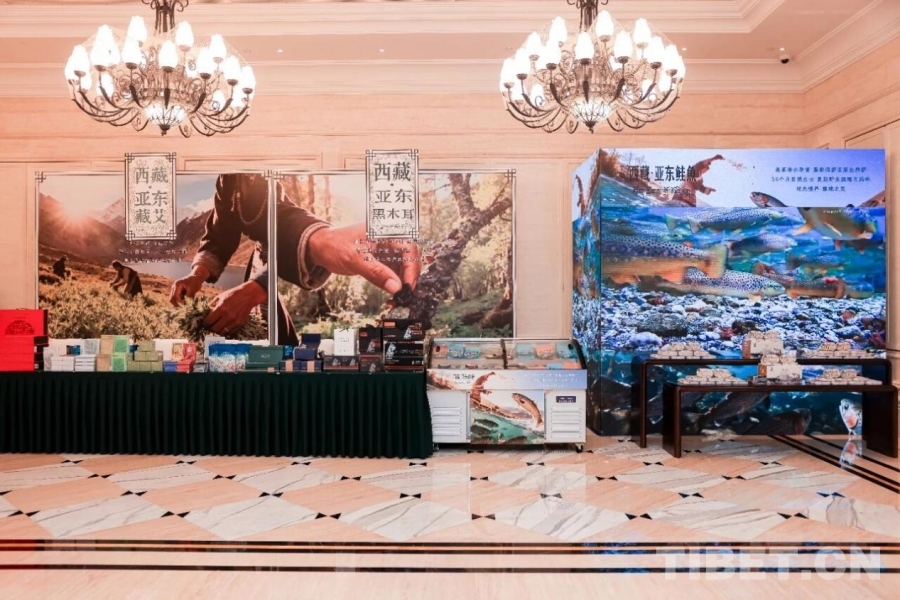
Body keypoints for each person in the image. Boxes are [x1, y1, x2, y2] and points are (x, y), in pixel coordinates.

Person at [169, 173, 421, 345]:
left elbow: (286, 218)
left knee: (278, 344)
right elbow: (221, 231)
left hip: (278, 263)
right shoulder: (228, 178)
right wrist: (197, 274)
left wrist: (320, 241)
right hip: (262, 265)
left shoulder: (281, 170)